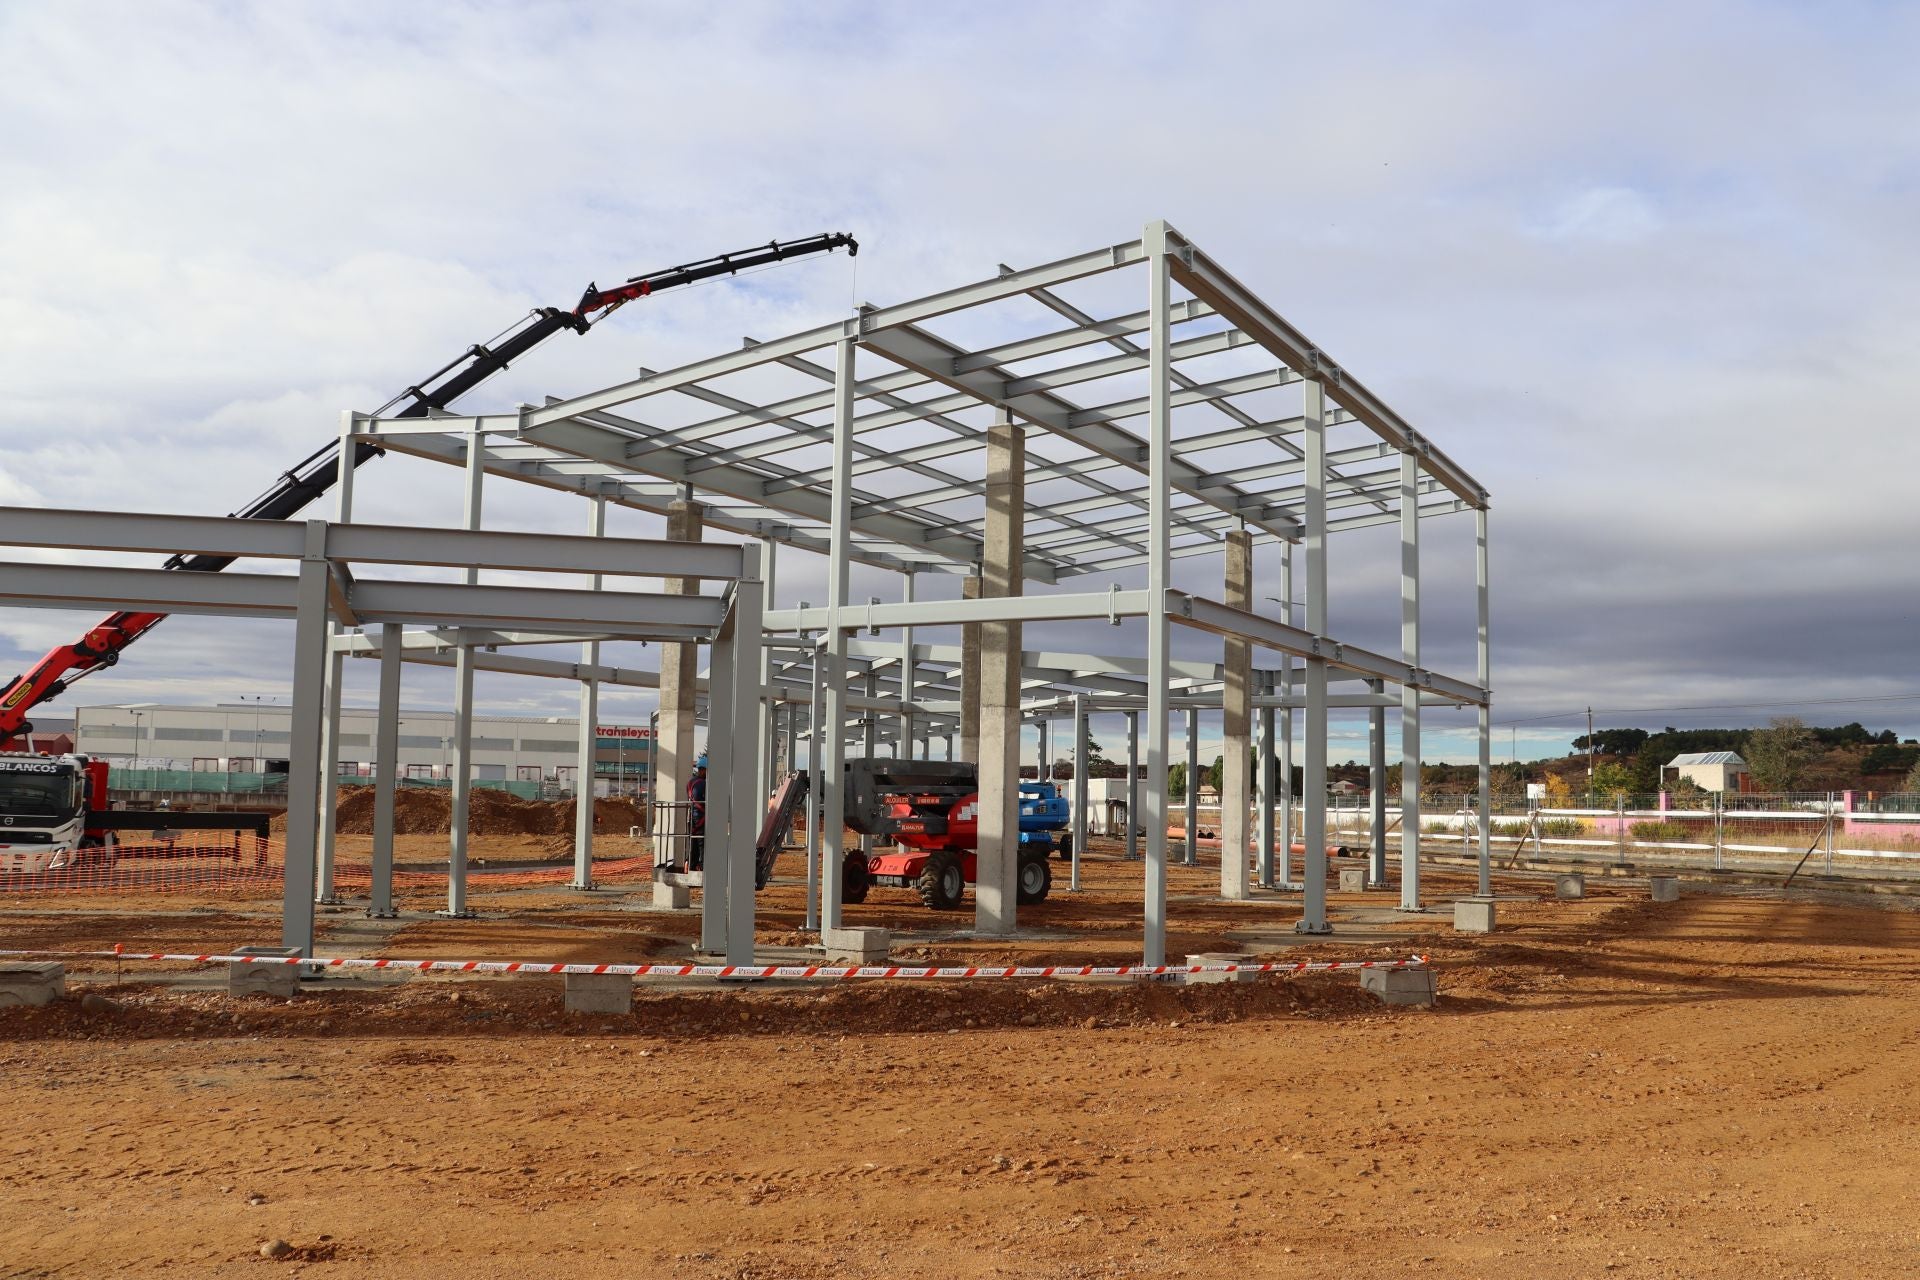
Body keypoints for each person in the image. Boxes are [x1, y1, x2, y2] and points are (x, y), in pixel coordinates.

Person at [686, 752, 708, 871]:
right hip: (700, 819)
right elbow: (700, 800)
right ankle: (703, 868)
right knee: (702, 845)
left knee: (693, 844)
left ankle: (691, 866)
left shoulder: (690, 782)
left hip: (691, 818)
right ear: (703, 770)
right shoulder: (702, 783)